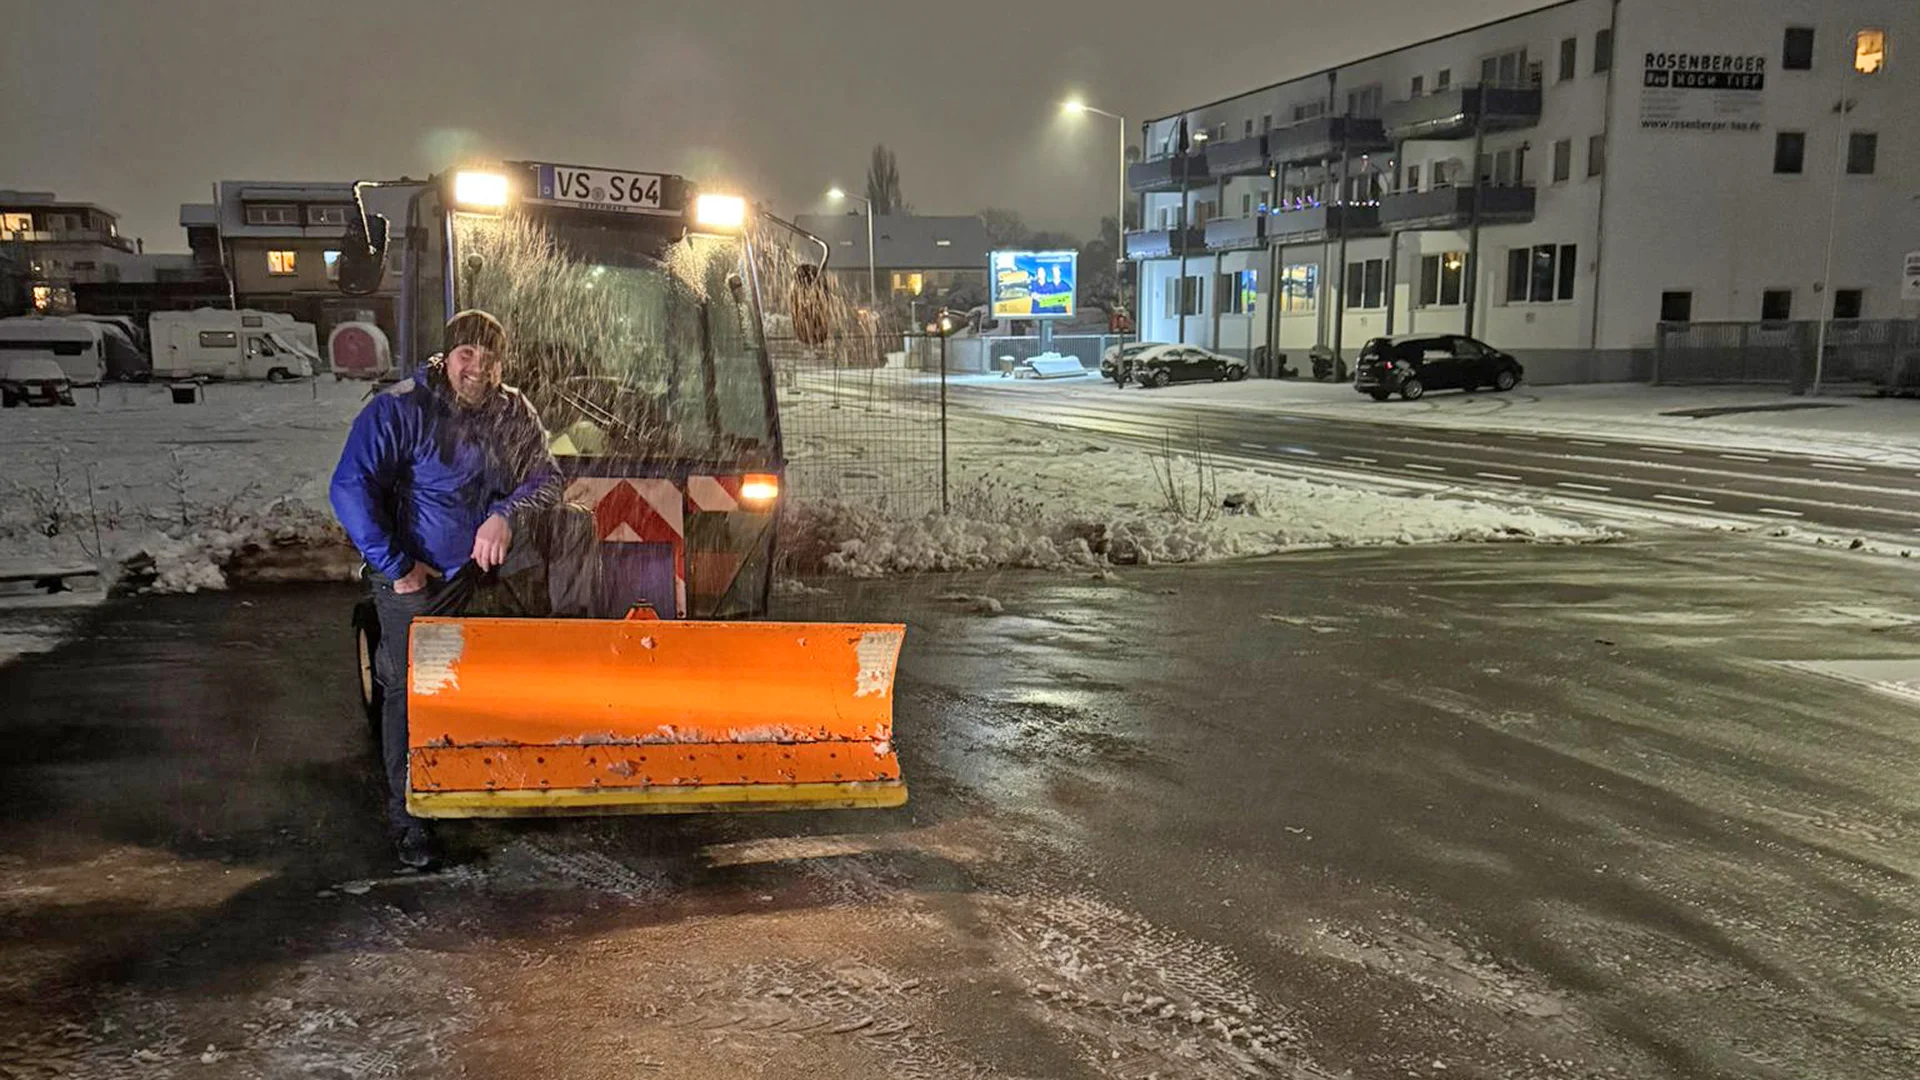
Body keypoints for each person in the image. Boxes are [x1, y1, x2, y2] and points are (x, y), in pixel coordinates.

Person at [330, 310, 597, 870]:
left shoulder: (512, 409)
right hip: (419, 569)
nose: (480, 367)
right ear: (445, 357)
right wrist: (396, 565)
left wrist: (504, 512)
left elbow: (546, 477)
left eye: (491, 357)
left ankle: (574, 659)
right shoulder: (401, 407)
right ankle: (411, 818)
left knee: (573, 522)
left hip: (485, 561)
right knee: (411, 688)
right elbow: (350, 488)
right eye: (467, 355)